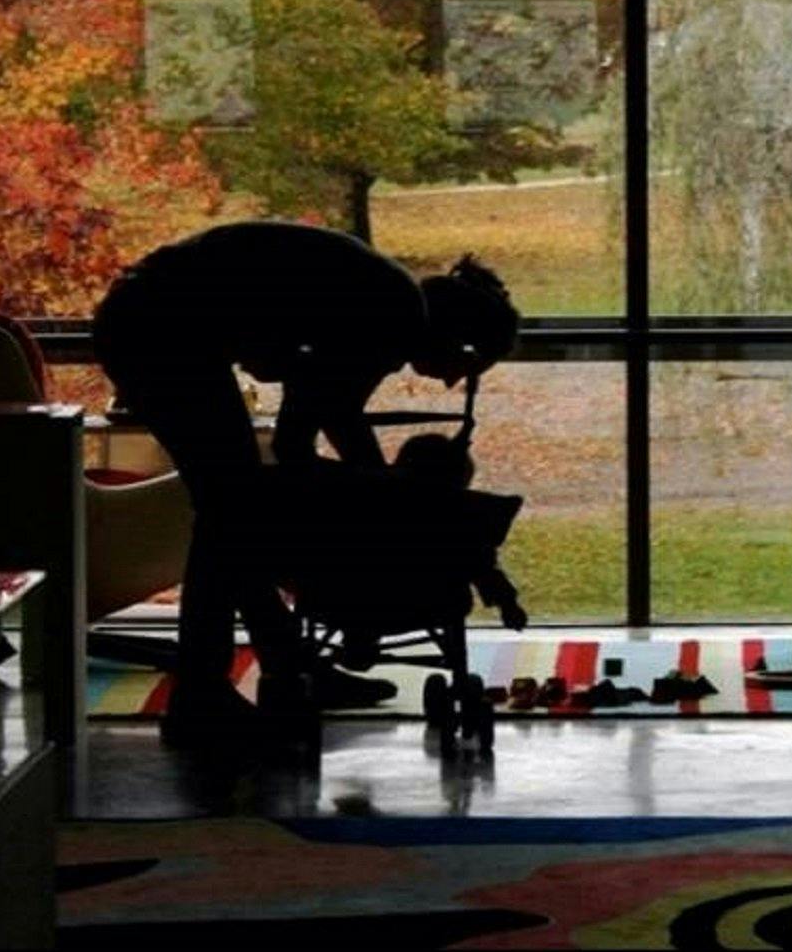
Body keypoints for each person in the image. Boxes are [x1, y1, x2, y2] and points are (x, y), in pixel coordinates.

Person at [90, 221, 520, 748]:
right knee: (229, 511)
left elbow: (324, 417)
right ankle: (202, 697)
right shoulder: (394, 317)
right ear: (461, 336)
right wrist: (393, 496)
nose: (456, 381)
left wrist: (378, 487)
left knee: (232, 508)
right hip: (160, 334)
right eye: (470, 366)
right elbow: (308, 430)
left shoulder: (390, 302)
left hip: (150, 321)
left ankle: (282, 666)